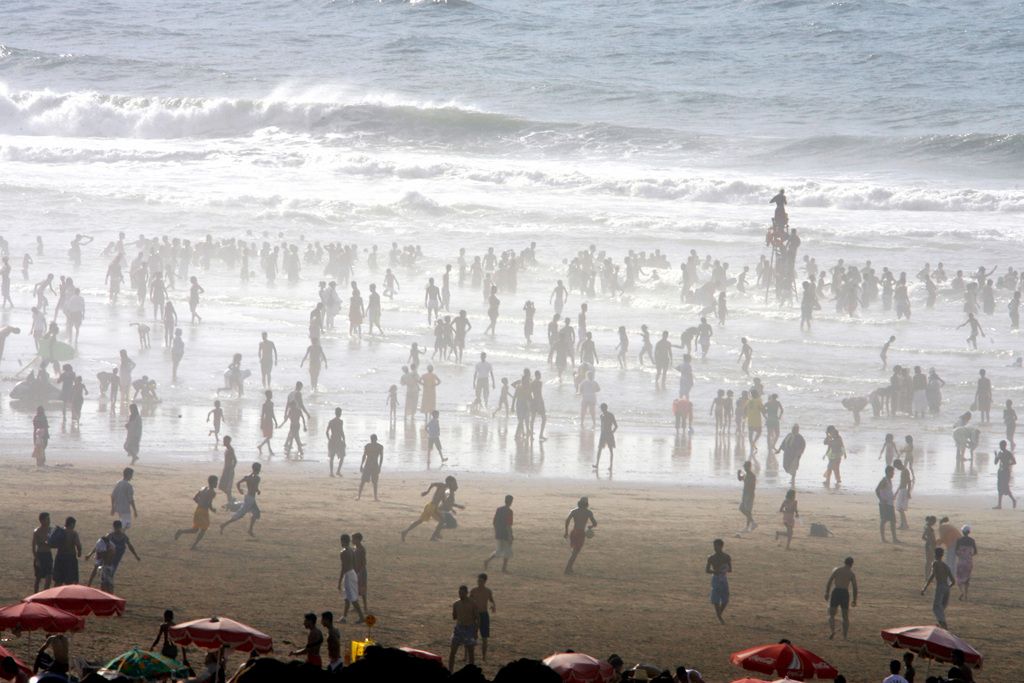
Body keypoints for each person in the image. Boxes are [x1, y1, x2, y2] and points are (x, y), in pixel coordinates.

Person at [175, 475, 218, 550]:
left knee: (195, 530)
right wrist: (212, 509)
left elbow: (195, 498)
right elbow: (209, 504)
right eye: (216, 482)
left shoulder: (203, 488)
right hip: (203, 512)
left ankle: (181, 531)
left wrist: (201, 503)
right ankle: (194, 545)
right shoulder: (212, 492)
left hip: (198, 510)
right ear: (213, 482)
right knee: (204, 529)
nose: (217, 483)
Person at [220, 463, 261, 537]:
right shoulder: (257, 478)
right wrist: (258, 491)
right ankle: (224, 525)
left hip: (248, 497)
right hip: (250, 499)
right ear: (258, 469)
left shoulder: (247, 476)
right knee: (240, 514)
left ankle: (250, 530)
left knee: (256, 513)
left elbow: (238, 483)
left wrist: (240, 490)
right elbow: (255, 487)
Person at [824, 557, 858, 640]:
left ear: (844, 562)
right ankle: (845, 636)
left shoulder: (837, 570)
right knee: (845, 616)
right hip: (844, 594)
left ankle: (832, 631)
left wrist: (827, 592)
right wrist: (854, 600)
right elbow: (855, 587)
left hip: (836, 592)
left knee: (831, 614)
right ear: (852, 564)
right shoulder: (851, 573)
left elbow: (829, 581)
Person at [922, 547, 955, 629]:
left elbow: (931, 576)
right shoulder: (946, 566)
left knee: (936, 607)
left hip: (940, 587)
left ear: (935, 555)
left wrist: (924, 588)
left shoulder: (935, 563)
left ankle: (943, 624)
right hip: (946, 588)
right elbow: (953, 581)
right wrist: (947, 587)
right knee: (941, 608)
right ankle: (941, 624)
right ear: (942, 555)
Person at [564, 497, 597, 575]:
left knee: (574, 551)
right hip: (581, 533)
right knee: (575, 552)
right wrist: (590, 527)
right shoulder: (588, 512)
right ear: (587, 504)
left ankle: (570, 568)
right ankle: (567, 569)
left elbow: (567, 520)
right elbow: (595, 523)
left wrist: (566, 532)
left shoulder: (574, 511)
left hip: (574, 532)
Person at [449, 585, 479, 672]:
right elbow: (454, 617)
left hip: (469, 629)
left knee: (471, 653)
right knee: (452, 651)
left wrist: (476, 632)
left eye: (462, 593)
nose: (460, 595)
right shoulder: (456, 604)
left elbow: (477, 618)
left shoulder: (473, 603)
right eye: (459, 593)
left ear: (466, 593)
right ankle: (450, 671)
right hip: (458, 629)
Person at [337, 534, 365, 624]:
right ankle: (344, 617)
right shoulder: (352, 550)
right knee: (347, 597)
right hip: (352, 573)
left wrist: (339, 581)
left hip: (348, 575)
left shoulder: (343, 552)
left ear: (343, 541)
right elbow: (354, 564)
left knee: (352, 598)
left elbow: (343, 567)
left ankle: (361, 617)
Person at [469, 573, 497, 661]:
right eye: (478, 581)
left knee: (484, 637)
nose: (479, 582)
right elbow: (469, 601)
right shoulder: (473, 590)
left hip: (484, 615)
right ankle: (468, 655)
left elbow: (492, 601)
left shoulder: (488, 591)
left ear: (485, 581)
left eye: (481, 581)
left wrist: (493, 606)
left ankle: (484, 657)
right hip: (474, 615)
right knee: (471, 636)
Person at [485, 495, 514, 573]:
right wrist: (510, 536)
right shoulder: (509, 511)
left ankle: (487, 561)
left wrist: (496, 531)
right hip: (505, 534)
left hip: (498, 533)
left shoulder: (499, 509)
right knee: (507, 551)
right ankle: (503, 569)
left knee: (498, 551)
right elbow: (508, 525)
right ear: (511, 502)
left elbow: (494, 522)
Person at [706, 539, 732, 624]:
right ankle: (719, 616)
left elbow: (730, 569)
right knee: (716, 598)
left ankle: (719, 614)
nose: (715, 548)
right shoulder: (711, 557)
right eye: (714, 546)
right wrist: (715, 572)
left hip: (723, 578)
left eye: (716, 546)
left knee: (725, 599)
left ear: (721, 546)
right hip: (716, 578)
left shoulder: (727, 557)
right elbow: (707, 570)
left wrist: (724, 569)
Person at [52, 517, 81, 586]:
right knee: (70, 582)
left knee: (58, 581)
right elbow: (78, 545)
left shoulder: (60, 531)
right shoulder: (73, 533)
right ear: (71, 524)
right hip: (70, 558)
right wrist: (79, 552)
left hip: (59, 557)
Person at [357, 435, 384, 501]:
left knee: (363, 482)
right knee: (374, 482)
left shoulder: (368, 446)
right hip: (374, 465)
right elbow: (381, 458)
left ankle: (359, 496)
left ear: (371, 439)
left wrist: (361, 465)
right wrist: (379, 466)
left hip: (368, 465)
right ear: (376, 439)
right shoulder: (379, 447)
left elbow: (364, 456)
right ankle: (375, 497)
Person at [954, 525, 977, 601]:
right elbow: (975, 552)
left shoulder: (959, 540)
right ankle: (966, 595)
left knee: (959, 578)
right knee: (967, 579)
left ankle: (961, 592)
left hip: (961, 562)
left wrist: (961, 556)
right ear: (969, 532)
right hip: (969, 562)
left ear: (962, 532)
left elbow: (955, 551)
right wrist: (969, 556)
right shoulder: (972, 540)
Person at [876, 466, 898, 543]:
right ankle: (883, 538)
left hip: (890, 503)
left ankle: (894, 538)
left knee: (893, 521)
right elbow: (877, 490)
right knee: (884, 520)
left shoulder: (889, 480)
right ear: (888, 472)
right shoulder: (884, 480)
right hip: (884, 504)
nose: (893, 474)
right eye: (892, 472)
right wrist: (881, 499)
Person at [32, 511, 53, 592]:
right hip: (40, 555)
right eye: (47, 519)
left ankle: (44, 596)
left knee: (49, 577)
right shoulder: (36, 531)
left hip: (48, 555)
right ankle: (35, 595)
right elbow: (33, 547)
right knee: (38, 578)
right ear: (42, 520)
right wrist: (37, 559)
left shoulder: (51, 530)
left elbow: (54, 543)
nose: (49, 521)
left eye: (49, 519)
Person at [594, 403, 618, 470]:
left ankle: (611, 466)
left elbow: (616, 426)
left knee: (611, 450)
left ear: (605, 408)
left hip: (609, 434)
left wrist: (612, 433)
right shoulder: (601, 416)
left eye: (602, 408)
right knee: (599, 450)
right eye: (601, 408)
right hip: (602, 435)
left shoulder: (611, 415)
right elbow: (602, 426)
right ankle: (597, 464)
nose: (601, 410)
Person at [994, 440, 1017, 509]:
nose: (1000, 447)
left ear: (1004, 446)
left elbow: (1014, 462)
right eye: (1000, 446)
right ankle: (999, 505)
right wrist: (996, 456)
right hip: (1000, 472)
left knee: (1006, 488)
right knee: (999, 488)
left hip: (1006, 472)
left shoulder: (1008, 453)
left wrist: (1007, 464)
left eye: (1001, 446)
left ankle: (1013, 500)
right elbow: (995, 463)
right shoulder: (1000, 453)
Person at [326, 408, 346, 477]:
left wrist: (329, 439)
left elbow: (327, 432)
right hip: (338, 441)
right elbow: (341, 431)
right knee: (342, 457)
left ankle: (331, 472)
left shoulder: (331, 421)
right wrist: (344, 440)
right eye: (340, 412)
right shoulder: (340, 421)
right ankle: (338, 471)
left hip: (332, 440)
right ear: (340, 413)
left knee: (332, 457)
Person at [737, 461, 757, 532]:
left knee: (747, 510)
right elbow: (740, 479)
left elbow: (752, 486)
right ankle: (750, 525)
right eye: (744, 467)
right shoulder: (746, 474)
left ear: (749, 467)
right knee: (743, 509)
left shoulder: (752, 475)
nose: (745, 468)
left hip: (749, 495)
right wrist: (738, 474)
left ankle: (751, 524)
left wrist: (749, 495)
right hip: (745, 494)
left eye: (746, 467)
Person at [353, 532, 369, 613]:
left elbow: (364, 562)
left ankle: (365, 606)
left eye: (354, 539)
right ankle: (356, 606)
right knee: (355, 588)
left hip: (361, 572)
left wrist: (359, 572)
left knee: (362, 590)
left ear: (358, 540)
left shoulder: (361, 549)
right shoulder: (355, 548)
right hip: (355, 571)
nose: (352, 540)